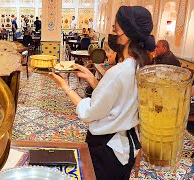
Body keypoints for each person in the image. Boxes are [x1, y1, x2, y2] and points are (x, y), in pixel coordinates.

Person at [49, 6, 156, 180]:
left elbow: (90, 112)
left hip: (108, 150)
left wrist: (65, 86)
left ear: (127, 34)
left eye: (115, 29)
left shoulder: (119, 72)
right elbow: (119, 99)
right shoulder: (142, 67)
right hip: (125, 148)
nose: (112, 32)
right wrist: (92, 79)